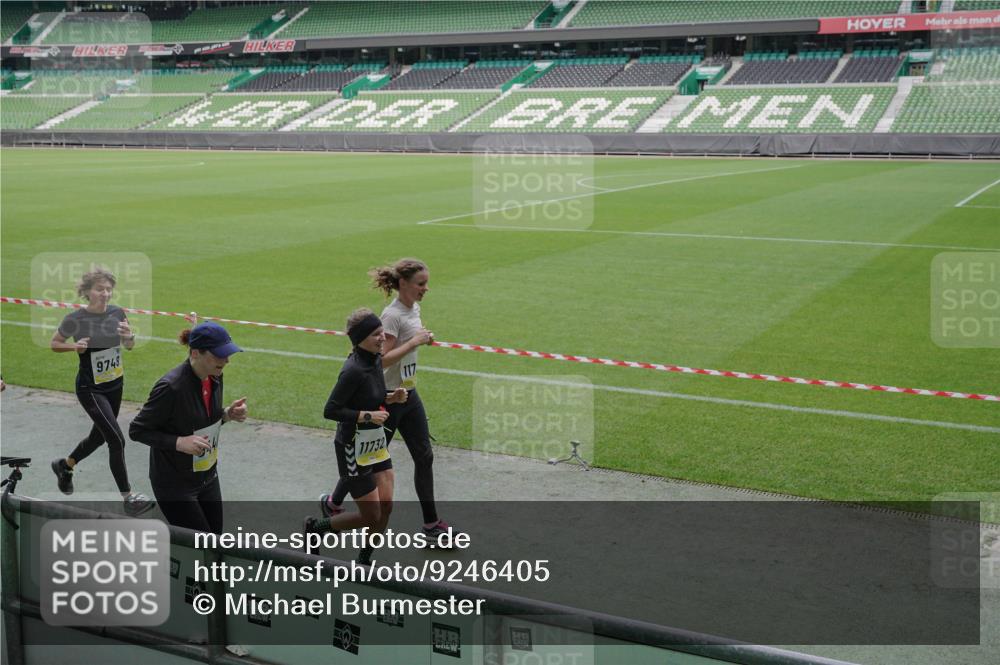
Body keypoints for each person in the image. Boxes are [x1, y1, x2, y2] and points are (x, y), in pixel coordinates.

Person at [321, 259, 456, 545]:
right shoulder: (391, 316)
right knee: (366, 458)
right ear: (404, 284)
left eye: (426, 283)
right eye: (421, 284)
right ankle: (334, 504)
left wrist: (421, 339)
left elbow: (406, 346)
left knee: (424, 455)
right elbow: (380, 361)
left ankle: (431, 524)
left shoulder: (413, 308)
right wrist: (414, 343)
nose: (426, 289)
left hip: (407, 393)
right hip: (385, 400)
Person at [49, 268, 154, 516]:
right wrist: (75, 346)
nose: (105, 294)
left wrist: (130, 337)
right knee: (116, 439)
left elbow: (128, 346)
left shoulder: (117, 313)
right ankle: (128, 497)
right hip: (90, 388)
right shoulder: (75, 319)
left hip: (115, 385)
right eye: (99, 289)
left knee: (98, 437)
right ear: (86, 292)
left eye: (108, 289)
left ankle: (65, 465)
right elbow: (55, 343)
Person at [306, 308, 407, 564]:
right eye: (376, 334)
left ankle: (364, 560)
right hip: (353, 447)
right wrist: (366, 416)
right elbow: (331, 410)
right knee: (370, 515)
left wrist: (389, 397)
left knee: (386, 506)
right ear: (361, 338)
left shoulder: (373, 358)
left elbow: (369, 394)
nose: (383, 337)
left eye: (382, 331)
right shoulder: (352, 370)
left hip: (375, 442)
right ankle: (315, 529)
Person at [129, 322, 247, 534]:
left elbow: (200, 420)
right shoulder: (171, 387)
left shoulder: (215, 376)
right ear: (195, 353)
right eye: (220, 355)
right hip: (175, 485)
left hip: (207, 476)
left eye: (227, 354)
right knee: (199, 548)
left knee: (216, 544)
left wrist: (227, 414)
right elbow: (137, 430)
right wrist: (179, 442)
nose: (226, 360)